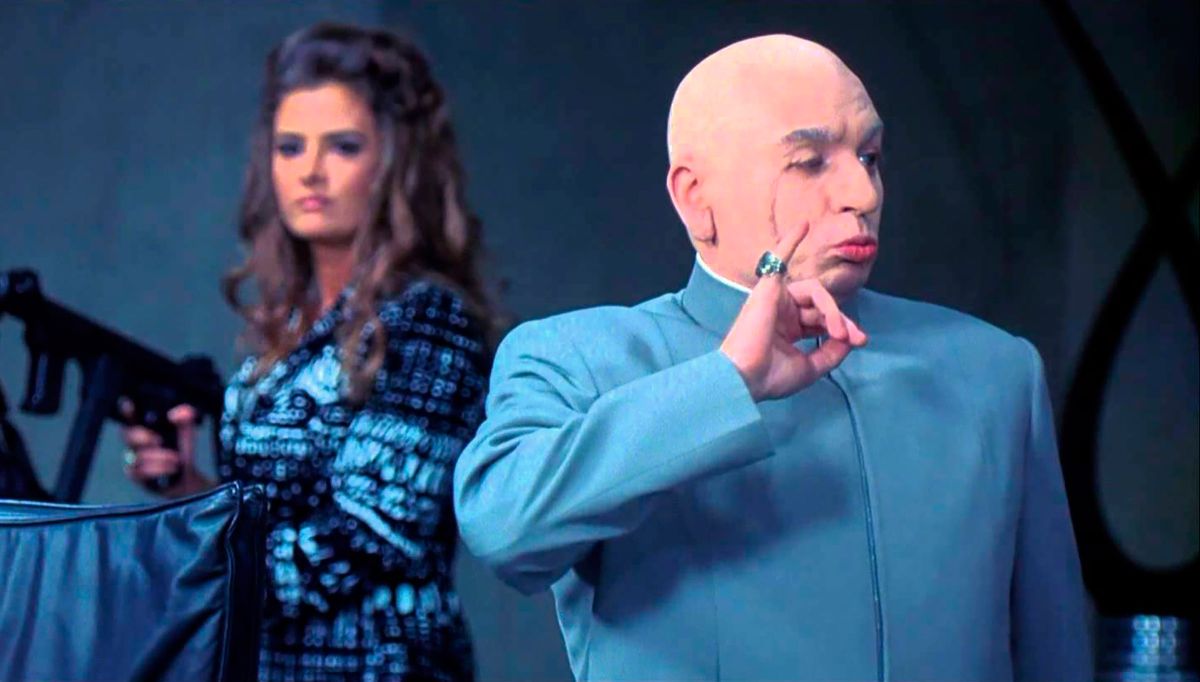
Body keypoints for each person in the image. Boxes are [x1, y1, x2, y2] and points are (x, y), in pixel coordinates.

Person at [453, 34, 1091, 681]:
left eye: (869, 156)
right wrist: (726, 381)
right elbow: (503, 532)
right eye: (810, 162)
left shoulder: (994, 370)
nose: (863, 193)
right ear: (695, 197)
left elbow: (1055, 651)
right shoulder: (580, 358)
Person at [121, 22, 493, 682]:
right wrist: (190, 491)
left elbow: (369, 538)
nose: (310, 172)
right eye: (290, 147)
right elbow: (262, 513)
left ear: (394, 161)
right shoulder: (287, 325)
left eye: (343, 146)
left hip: (382, 667)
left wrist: (184, 559)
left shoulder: (429, 321)